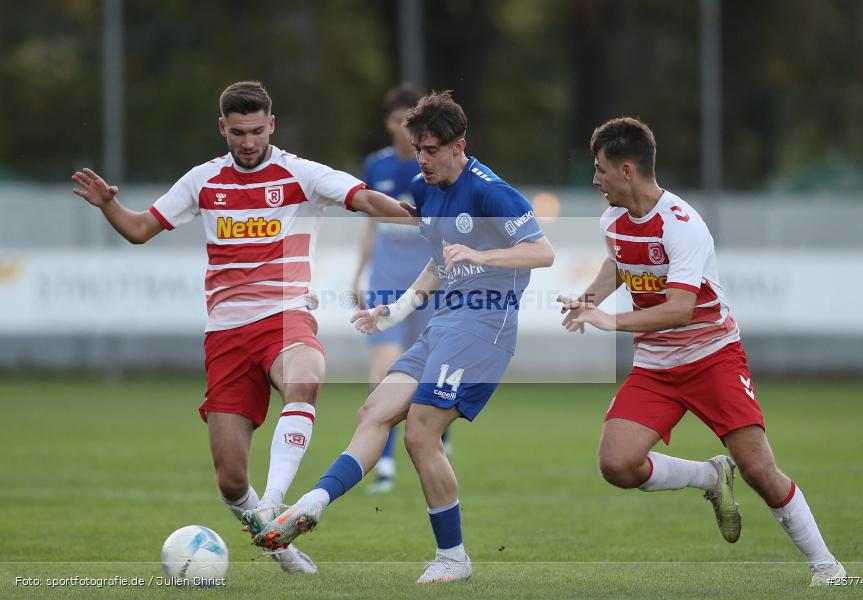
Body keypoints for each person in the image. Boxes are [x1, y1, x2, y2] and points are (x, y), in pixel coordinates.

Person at [70, 80, 413, 576]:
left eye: (256, 131)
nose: (248, 142)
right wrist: (109, 206)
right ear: (222, 129)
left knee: (306, 377)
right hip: (226, 334)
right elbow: (141, 229)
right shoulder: (203, 180)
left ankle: (275, 504)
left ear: (271, 124)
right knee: (231, 482)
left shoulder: (300, 173)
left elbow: (362, 199)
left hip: (284, 314)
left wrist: (416, 218)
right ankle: (280, 546)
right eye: (237, 133)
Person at [248, 91, 555, 584]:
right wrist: (394, 311)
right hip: (444, 324)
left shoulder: (491, 192)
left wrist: (482, 256)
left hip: (485, 327)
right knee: (373, 411)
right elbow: (439, 260)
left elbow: (542, 253)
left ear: (460, 146)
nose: (423, 159)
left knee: (420, 431)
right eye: (418, 148)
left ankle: (453, 558)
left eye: (432, 149)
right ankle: (312, 503)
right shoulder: (423, 185)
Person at [558, 117, 845, 587]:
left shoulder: (683, 225)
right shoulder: (612, 219)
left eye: (600, 169)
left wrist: (610, 321)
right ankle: (710, 478)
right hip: (655, 366)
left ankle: (827, 567)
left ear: (627, 171)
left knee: (758, 469)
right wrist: (590, 300)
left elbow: (680, 310)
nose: (595, 179)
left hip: (713, 358)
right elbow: (619, 263)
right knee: (617, 464)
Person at [352, 84, 449, 494]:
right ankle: (386, 462)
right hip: (388, 281)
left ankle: (440, 439)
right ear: (389, 124)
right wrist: (359, 273)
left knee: (431, 369)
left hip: (432, 279)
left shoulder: (437, 167)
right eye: (396, 120)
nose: (401, 127)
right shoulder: (377, 166)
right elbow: (371, 221)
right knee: (385, 369)